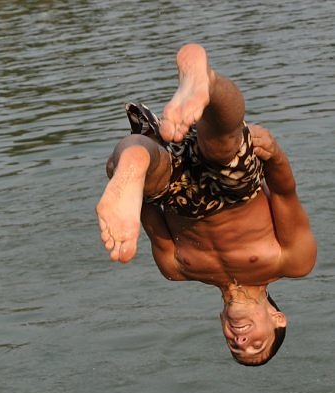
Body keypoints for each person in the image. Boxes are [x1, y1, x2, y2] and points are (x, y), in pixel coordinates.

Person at [96, 43, 317, 366]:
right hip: (235, 193)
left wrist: (122, 173)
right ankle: (206, 83)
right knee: (225, 147)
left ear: (221, 324)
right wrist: (275, 154)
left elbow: (147, 207)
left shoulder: (177, 270)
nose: (241, 341)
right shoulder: (293, 262)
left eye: (235, 347)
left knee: (152, 177)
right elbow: (285, 194)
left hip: (179, 197)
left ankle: (134, 161)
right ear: (277, 318)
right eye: (257, 345)